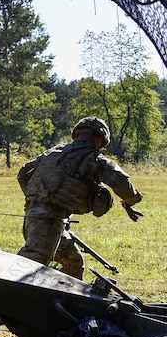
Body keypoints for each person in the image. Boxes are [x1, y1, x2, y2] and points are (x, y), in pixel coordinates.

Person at [17, 117, 143, 279]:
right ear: (99, 139)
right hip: (49, 221)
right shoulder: (94, 159)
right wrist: (132, 200)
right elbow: (122, 183)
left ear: (76, 134)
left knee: (73, 262)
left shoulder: (54, 152)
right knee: (25, 268)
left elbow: (23, 175)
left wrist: (37, 198)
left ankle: (66, 301)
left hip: (36, 216)